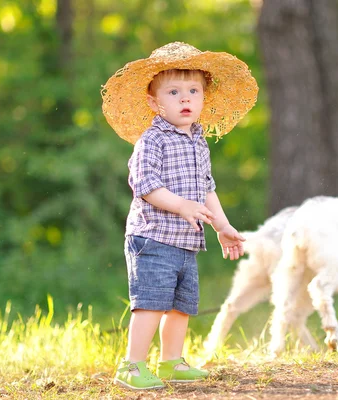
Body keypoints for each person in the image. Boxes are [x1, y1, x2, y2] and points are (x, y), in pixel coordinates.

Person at [101, 42, 258, 390]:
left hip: (186, 240)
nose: (185, 98)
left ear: (204, 99)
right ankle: (132, 365)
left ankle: (171, 361)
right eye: (173, 92)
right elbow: (145, 185)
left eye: (193, 91)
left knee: (181, 306)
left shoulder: (199, 141)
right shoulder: (152, 140)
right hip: (154, 236)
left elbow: (206, 189)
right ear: (154, 102)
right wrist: (182, 206)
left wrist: (222, 225)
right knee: (152, 303)